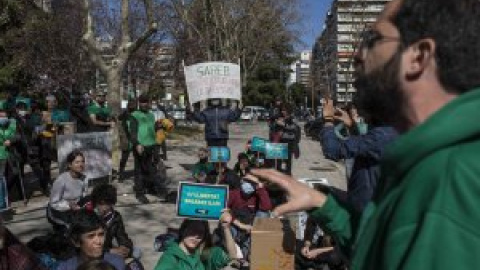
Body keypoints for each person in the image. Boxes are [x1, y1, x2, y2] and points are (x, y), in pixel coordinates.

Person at [249, 0, 480, 269]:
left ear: (419, 56)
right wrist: (321, 203)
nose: (357, 54)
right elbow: (384, 252)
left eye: (372, 39)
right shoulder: (429, 160)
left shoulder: (451, 183)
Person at [320, 99, 397, 214]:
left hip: (368, 212)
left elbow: (332, 150)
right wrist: (352, 126)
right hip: (374, 204)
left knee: (318, 197)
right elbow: (364, 145)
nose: (362, 115)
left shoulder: (381, 136)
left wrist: (328, 120)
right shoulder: (391, 132)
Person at [154, 212, 238, 270]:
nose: (196, 235)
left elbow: (232, 255)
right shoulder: (171, 256)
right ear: (183, 230)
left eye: (201, 232)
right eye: (193, 230)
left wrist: (226, 228)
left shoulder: (203, 253)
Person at [57, 210, 125, 270]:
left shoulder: (116, 263)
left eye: (101, 234)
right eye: (91, 236)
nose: (98, 241)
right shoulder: (65, 268)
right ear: (76, 242)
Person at [129, 95, 164, 204]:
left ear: (149, 103)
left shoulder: (151, 115)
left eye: (146, 102)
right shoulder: (134, 115)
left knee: (150, 169)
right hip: (140, 146)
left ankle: (151, 188)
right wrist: (137, 144)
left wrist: (158, 127)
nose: (144, 104)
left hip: (151, 145)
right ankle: (139, 193)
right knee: (139, 171)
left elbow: (152, 129)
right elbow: (133, 132)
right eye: (142, 102)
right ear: (139, 103)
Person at [227, 176, 272, 259]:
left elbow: (266, 208)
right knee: (227, 225)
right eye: (248, 181)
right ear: (242, 181)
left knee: (264, 214)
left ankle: (250, 251)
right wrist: (241, 225)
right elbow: (223, 212)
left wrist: (260, 189)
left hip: (250, 227)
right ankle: (232, 251)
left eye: (253, 183)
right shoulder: (233, 193)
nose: (250, 185)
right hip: (235, 225)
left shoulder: (257, 195)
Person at [47, 150, 88, 233]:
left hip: (75, 211)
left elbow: (83, 196)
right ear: (69, 165)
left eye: (82, 162)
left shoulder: (84, 178)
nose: (81, 165)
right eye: (77, 162)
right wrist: (68, 206)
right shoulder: (61, 180)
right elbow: (53, 203)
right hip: (58, 213)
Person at [90, 184, 134, 260]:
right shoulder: (89, 216)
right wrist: (109, 251)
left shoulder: (115, 217)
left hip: (108, 249)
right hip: (93, 254)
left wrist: (126, 248)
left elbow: (122, 236)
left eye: (107, 204)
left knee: (136, 252)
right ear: (95, 203)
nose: (104, 208)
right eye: (100, 204)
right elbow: (86, 245)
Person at [270, 104, 301, 175]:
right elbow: (272, 126)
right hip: (280, 141)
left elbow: (294, 128)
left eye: (284, 110)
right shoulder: (280, 117)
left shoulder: (293, 118)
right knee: (278, 161)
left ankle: (288, 174)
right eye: (282, 110)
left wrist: (283, 125)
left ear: (288, 110)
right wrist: (275, 123)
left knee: (288, 161)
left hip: (289, 142)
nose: (283, 111)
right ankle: (279, 174)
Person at [0, 107, 16, 208]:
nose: (2, 118)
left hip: (10, 155)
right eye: (0, 116)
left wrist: (11, 140)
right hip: (2, 155)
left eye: (4, 116)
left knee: (10, 175)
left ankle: (4, 200)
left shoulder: (13, 124)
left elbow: (18, 135)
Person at [117, 101, 136, 182]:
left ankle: (139, 174)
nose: (132, 107)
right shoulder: (125, 114)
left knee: (138, 158)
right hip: (127, 140)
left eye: (133, 106)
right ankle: (121, 175)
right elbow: (118, 118)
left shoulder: (136, 114)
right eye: (130, 106)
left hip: (135, 139)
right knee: (124, 158)